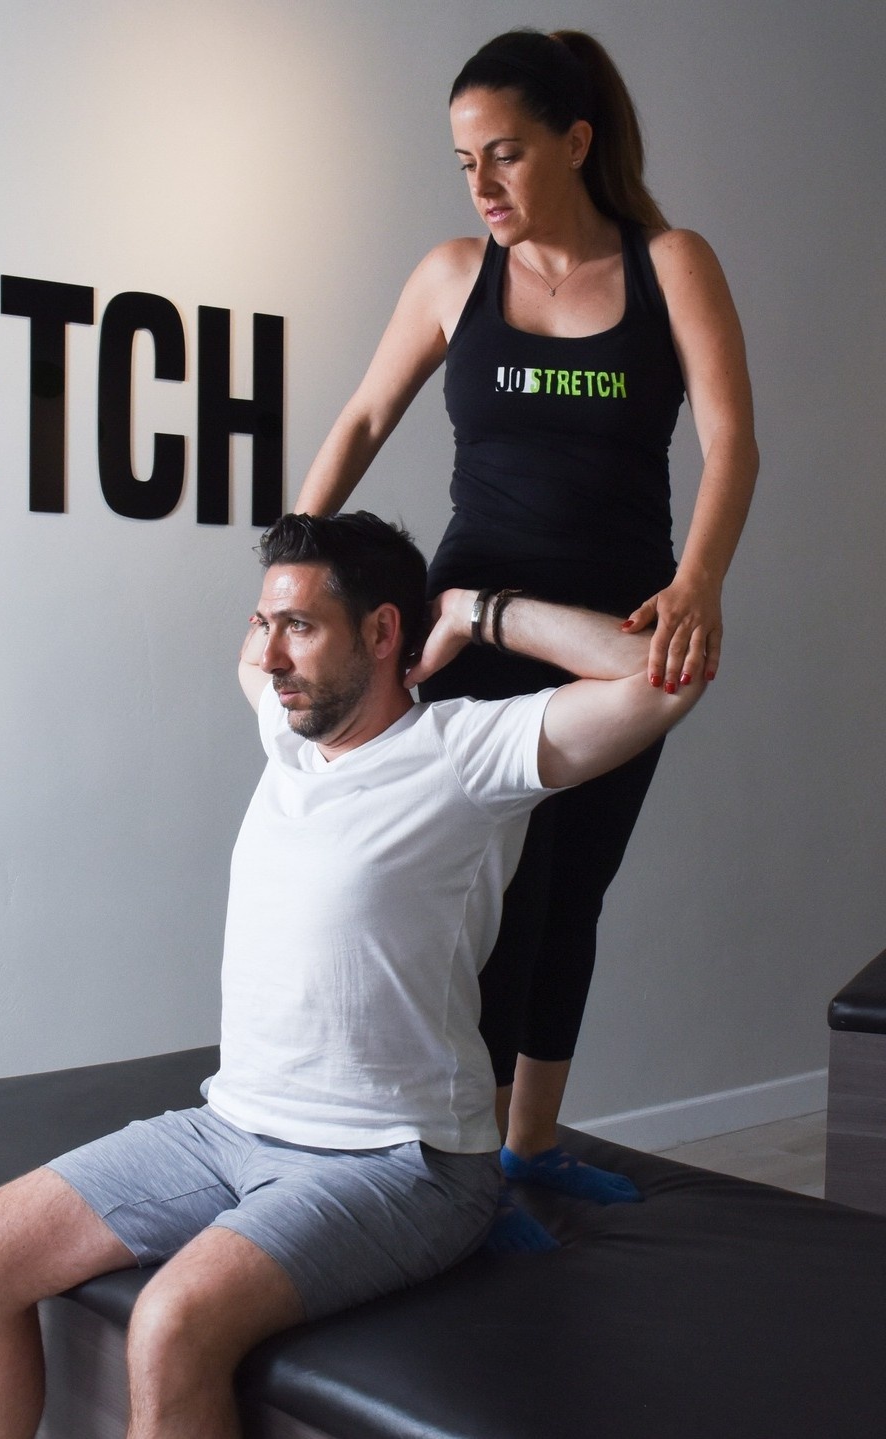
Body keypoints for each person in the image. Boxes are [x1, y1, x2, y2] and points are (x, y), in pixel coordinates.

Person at [0, 511, 708, 1439]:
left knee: (170, 1323)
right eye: (265, 623)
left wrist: (471, 610)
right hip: (228, 1129)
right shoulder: (285, 733)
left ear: (382, 632)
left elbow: (668, 676)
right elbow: (261, 651)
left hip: (398, 1163)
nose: (270, 654)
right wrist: (297, 566)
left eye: (299, 626)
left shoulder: (469, 754)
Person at [292, 29, 758, 1233]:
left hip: (612, 626)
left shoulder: (669, 265)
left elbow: (730, 439)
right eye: (464, 163)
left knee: (576, 882)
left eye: (503, 154)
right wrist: (293, 562)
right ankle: (460, 1158)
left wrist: (699, 581)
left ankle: (528, 1145)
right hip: (467, 627)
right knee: (494, 888)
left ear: (575, 141)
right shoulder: (453, 275)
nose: (481, 185)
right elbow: (364, 413)